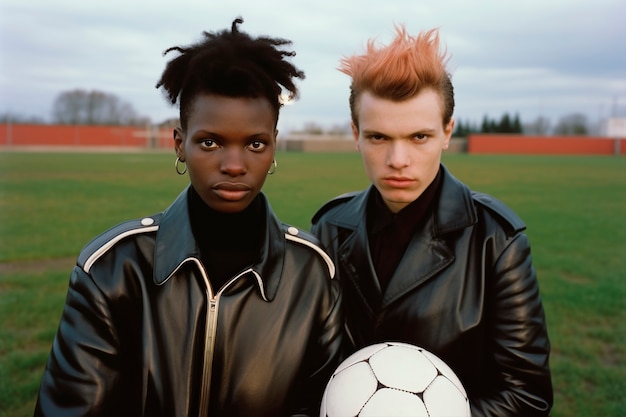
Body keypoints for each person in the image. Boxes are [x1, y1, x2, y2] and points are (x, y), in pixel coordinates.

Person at [34, 18, 343, 417]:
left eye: (254, 143)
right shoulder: (111, 269)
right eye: (210, 142)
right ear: (180, 144)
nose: (234, 165)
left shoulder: (314, 274)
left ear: (273, 146)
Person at [311, 25, 553, 416]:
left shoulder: (496, 239)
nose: (398, 160)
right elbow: (310, 367)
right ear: (355, 134)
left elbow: (528, 395)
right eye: (378, 138)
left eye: (419, 137)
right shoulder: (328, 228)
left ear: (447, 132)